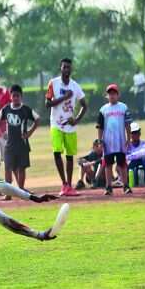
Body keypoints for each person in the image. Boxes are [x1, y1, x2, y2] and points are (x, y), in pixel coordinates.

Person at [46, 58, 87, 197]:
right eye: (64, 67)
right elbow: (48, 104)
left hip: (70, 125)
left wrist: (76, 120)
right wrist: (64, 98)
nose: (67, 70)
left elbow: (84, 105)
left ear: (71, 69)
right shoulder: (53, 83)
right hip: (56, 123)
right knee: (57, 152)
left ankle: (69, 186)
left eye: (69, 67)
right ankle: (64, 184)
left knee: (69, 156)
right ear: (60, 68)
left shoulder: (75, 86)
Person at [0, 85, 40, 193]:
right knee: (8, 168)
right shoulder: (6, 109)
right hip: (9, 145)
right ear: (10, 97)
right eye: (14, 96)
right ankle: (8, 193)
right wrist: (2, 132)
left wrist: (30, 132)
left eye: (18, 96)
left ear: (21, 97)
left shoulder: (25, 109)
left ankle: (21, 190)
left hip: (22, 144)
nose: (16, 98)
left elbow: (37, 119)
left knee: (22, 168)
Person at [97, 84, 133, 195]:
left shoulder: (123, 107)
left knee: (122, 164)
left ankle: (126, 186)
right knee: (108, 165)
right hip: (108, 142)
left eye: (114, 93)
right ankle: (108, 187)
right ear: (107, 96)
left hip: (120, 141)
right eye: (110, 94)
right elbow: (100, 127)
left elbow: (127, 124)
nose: (112, 96)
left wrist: (128, 138)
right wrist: (100, 140)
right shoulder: (103, 110)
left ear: (118, 95)